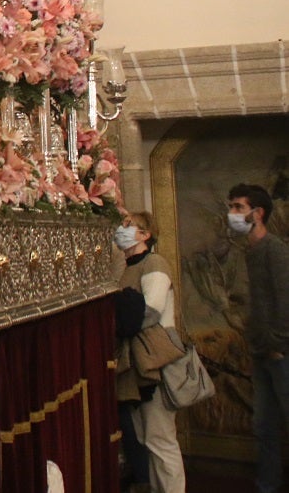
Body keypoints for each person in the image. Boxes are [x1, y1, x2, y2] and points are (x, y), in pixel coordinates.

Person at [114, 210, 186, 493]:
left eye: (129, 225)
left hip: (156, 360)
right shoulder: (128, 267)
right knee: (147, 438)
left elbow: (152, 310)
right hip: (138, 362)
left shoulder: (154, 262)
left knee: (160, 438)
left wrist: (122, 326)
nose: (123, 229)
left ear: (145, 235)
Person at [229, 182, 289, 493]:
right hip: (261, 351)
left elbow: (285, 300)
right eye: (232, 207)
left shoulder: (274, 249)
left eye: (238, 207)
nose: (233, 213)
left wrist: (278, 344)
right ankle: (268, 485)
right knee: (263, 426)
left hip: (280, 353)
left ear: (258, 212)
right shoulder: (249, 251)